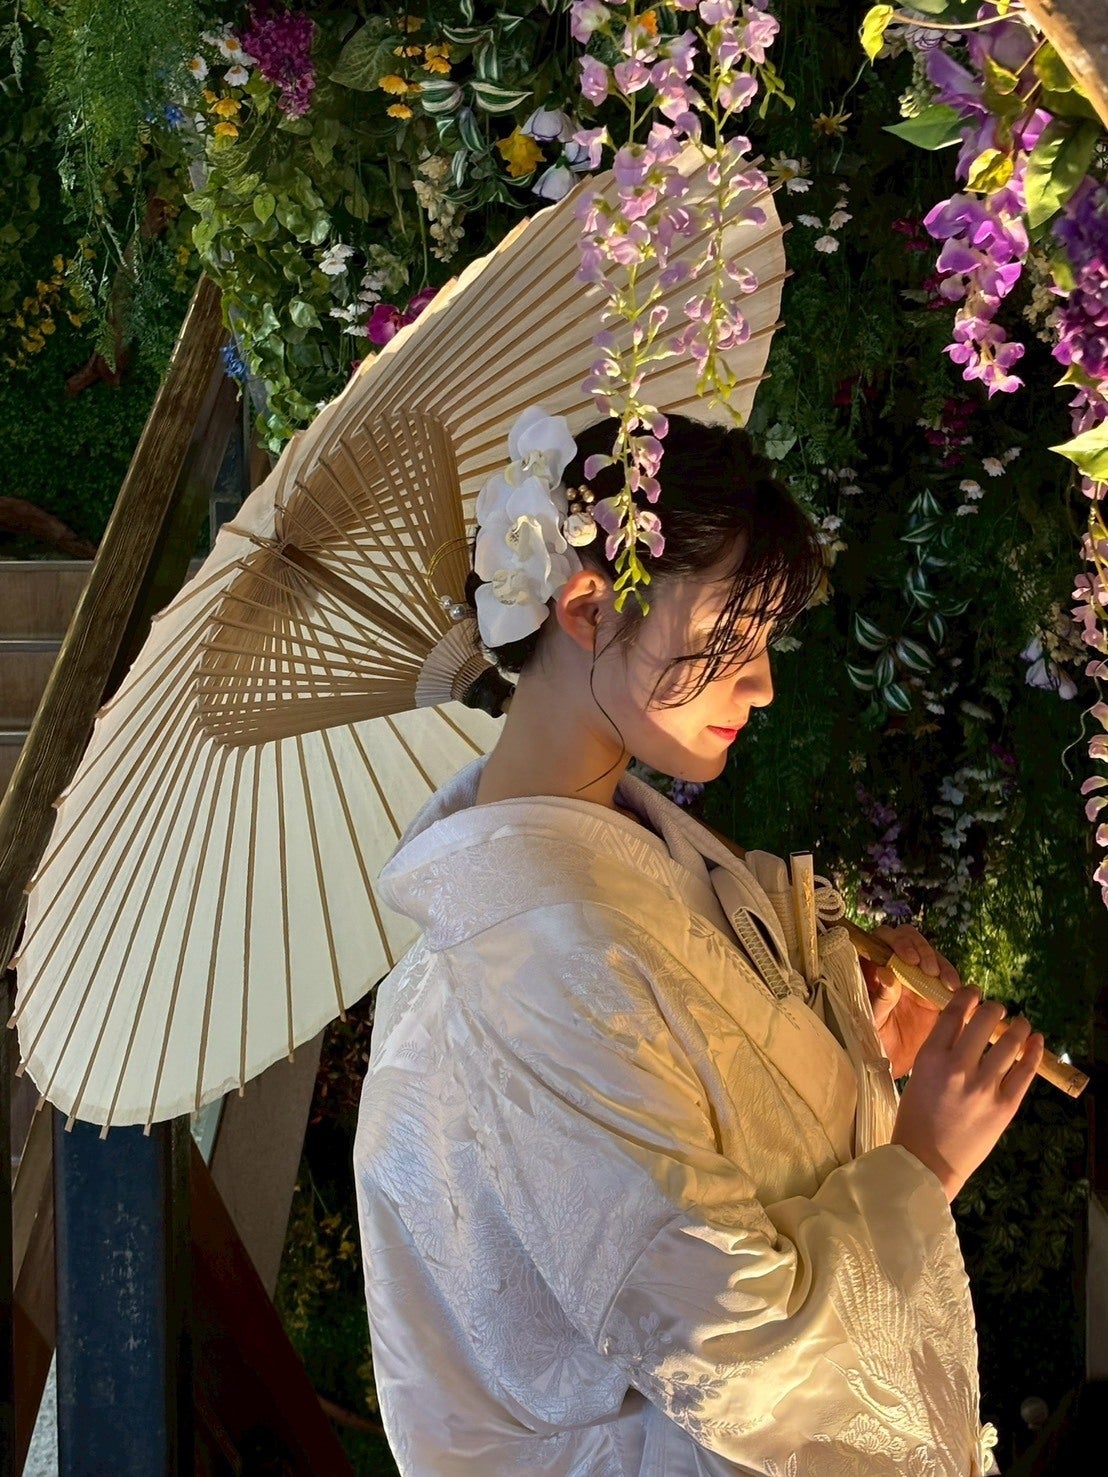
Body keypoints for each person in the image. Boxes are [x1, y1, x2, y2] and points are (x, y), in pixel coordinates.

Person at [353, 406, 1043, 1476]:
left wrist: (849, 1040)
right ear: (588, 607)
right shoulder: (533, 954)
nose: (761, 683)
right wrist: (923, 1161)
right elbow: (730, 1353)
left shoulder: (616, 851)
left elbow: (719, 1102)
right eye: (734, 637)